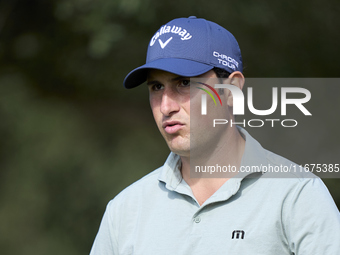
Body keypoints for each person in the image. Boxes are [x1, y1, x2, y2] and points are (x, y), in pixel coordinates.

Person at [90, 16, 340, 254]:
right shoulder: (124, 211)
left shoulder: (298, 195)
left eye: (184, 83)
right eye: (156, 87)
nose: (166, 107)